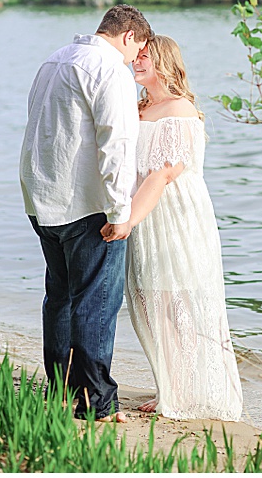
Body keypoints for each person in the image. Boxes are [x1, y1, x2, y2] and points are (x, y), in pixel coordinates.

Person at [19, 4, 152, 423]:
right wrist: (121, 210)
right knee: (96, 303)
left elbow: (38, 127)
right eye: (139, 50)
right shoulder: (110, 69)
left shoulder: (54, 60)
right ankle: (96, 401)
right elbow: (116, 144)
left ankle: (58, 391)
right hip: (87, 203)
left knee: (59, 297)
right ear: (129, 36)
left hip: (42, 198)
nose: (135, 61)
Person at [104, 34, 243, 421]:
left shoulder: (179, 109)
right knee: (150, 300)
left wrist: (127, 219)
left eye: (145, 56)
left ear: (164, 61)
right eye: (137, 55)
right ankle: (170, 385)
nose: (137, 61)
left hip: (175, 216)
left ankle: (182, 393)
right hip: (146, 212)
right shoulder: (139, 107)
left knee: (176, 298)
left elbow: (164, 173)